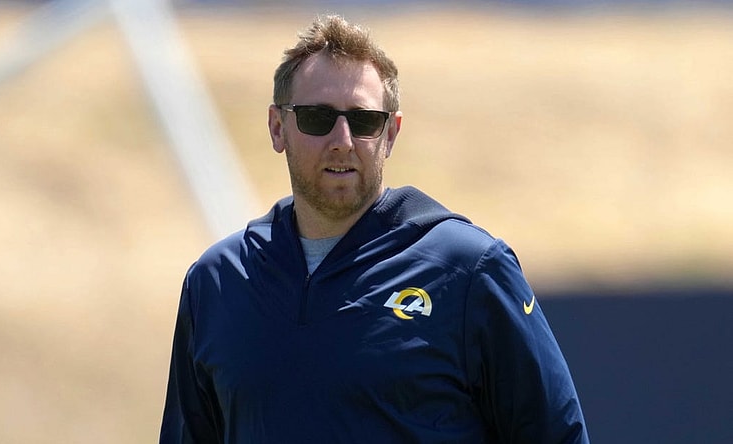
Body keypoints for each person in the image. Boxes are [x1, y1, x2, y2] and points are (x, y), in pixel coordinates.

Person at [159, 14, 589, 444]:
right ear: (277, 127)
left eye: (363, 121)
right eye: (317, 117)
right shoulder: (216, 282)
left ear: (390, 134)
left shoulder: (468, 270)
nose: (343, 139)